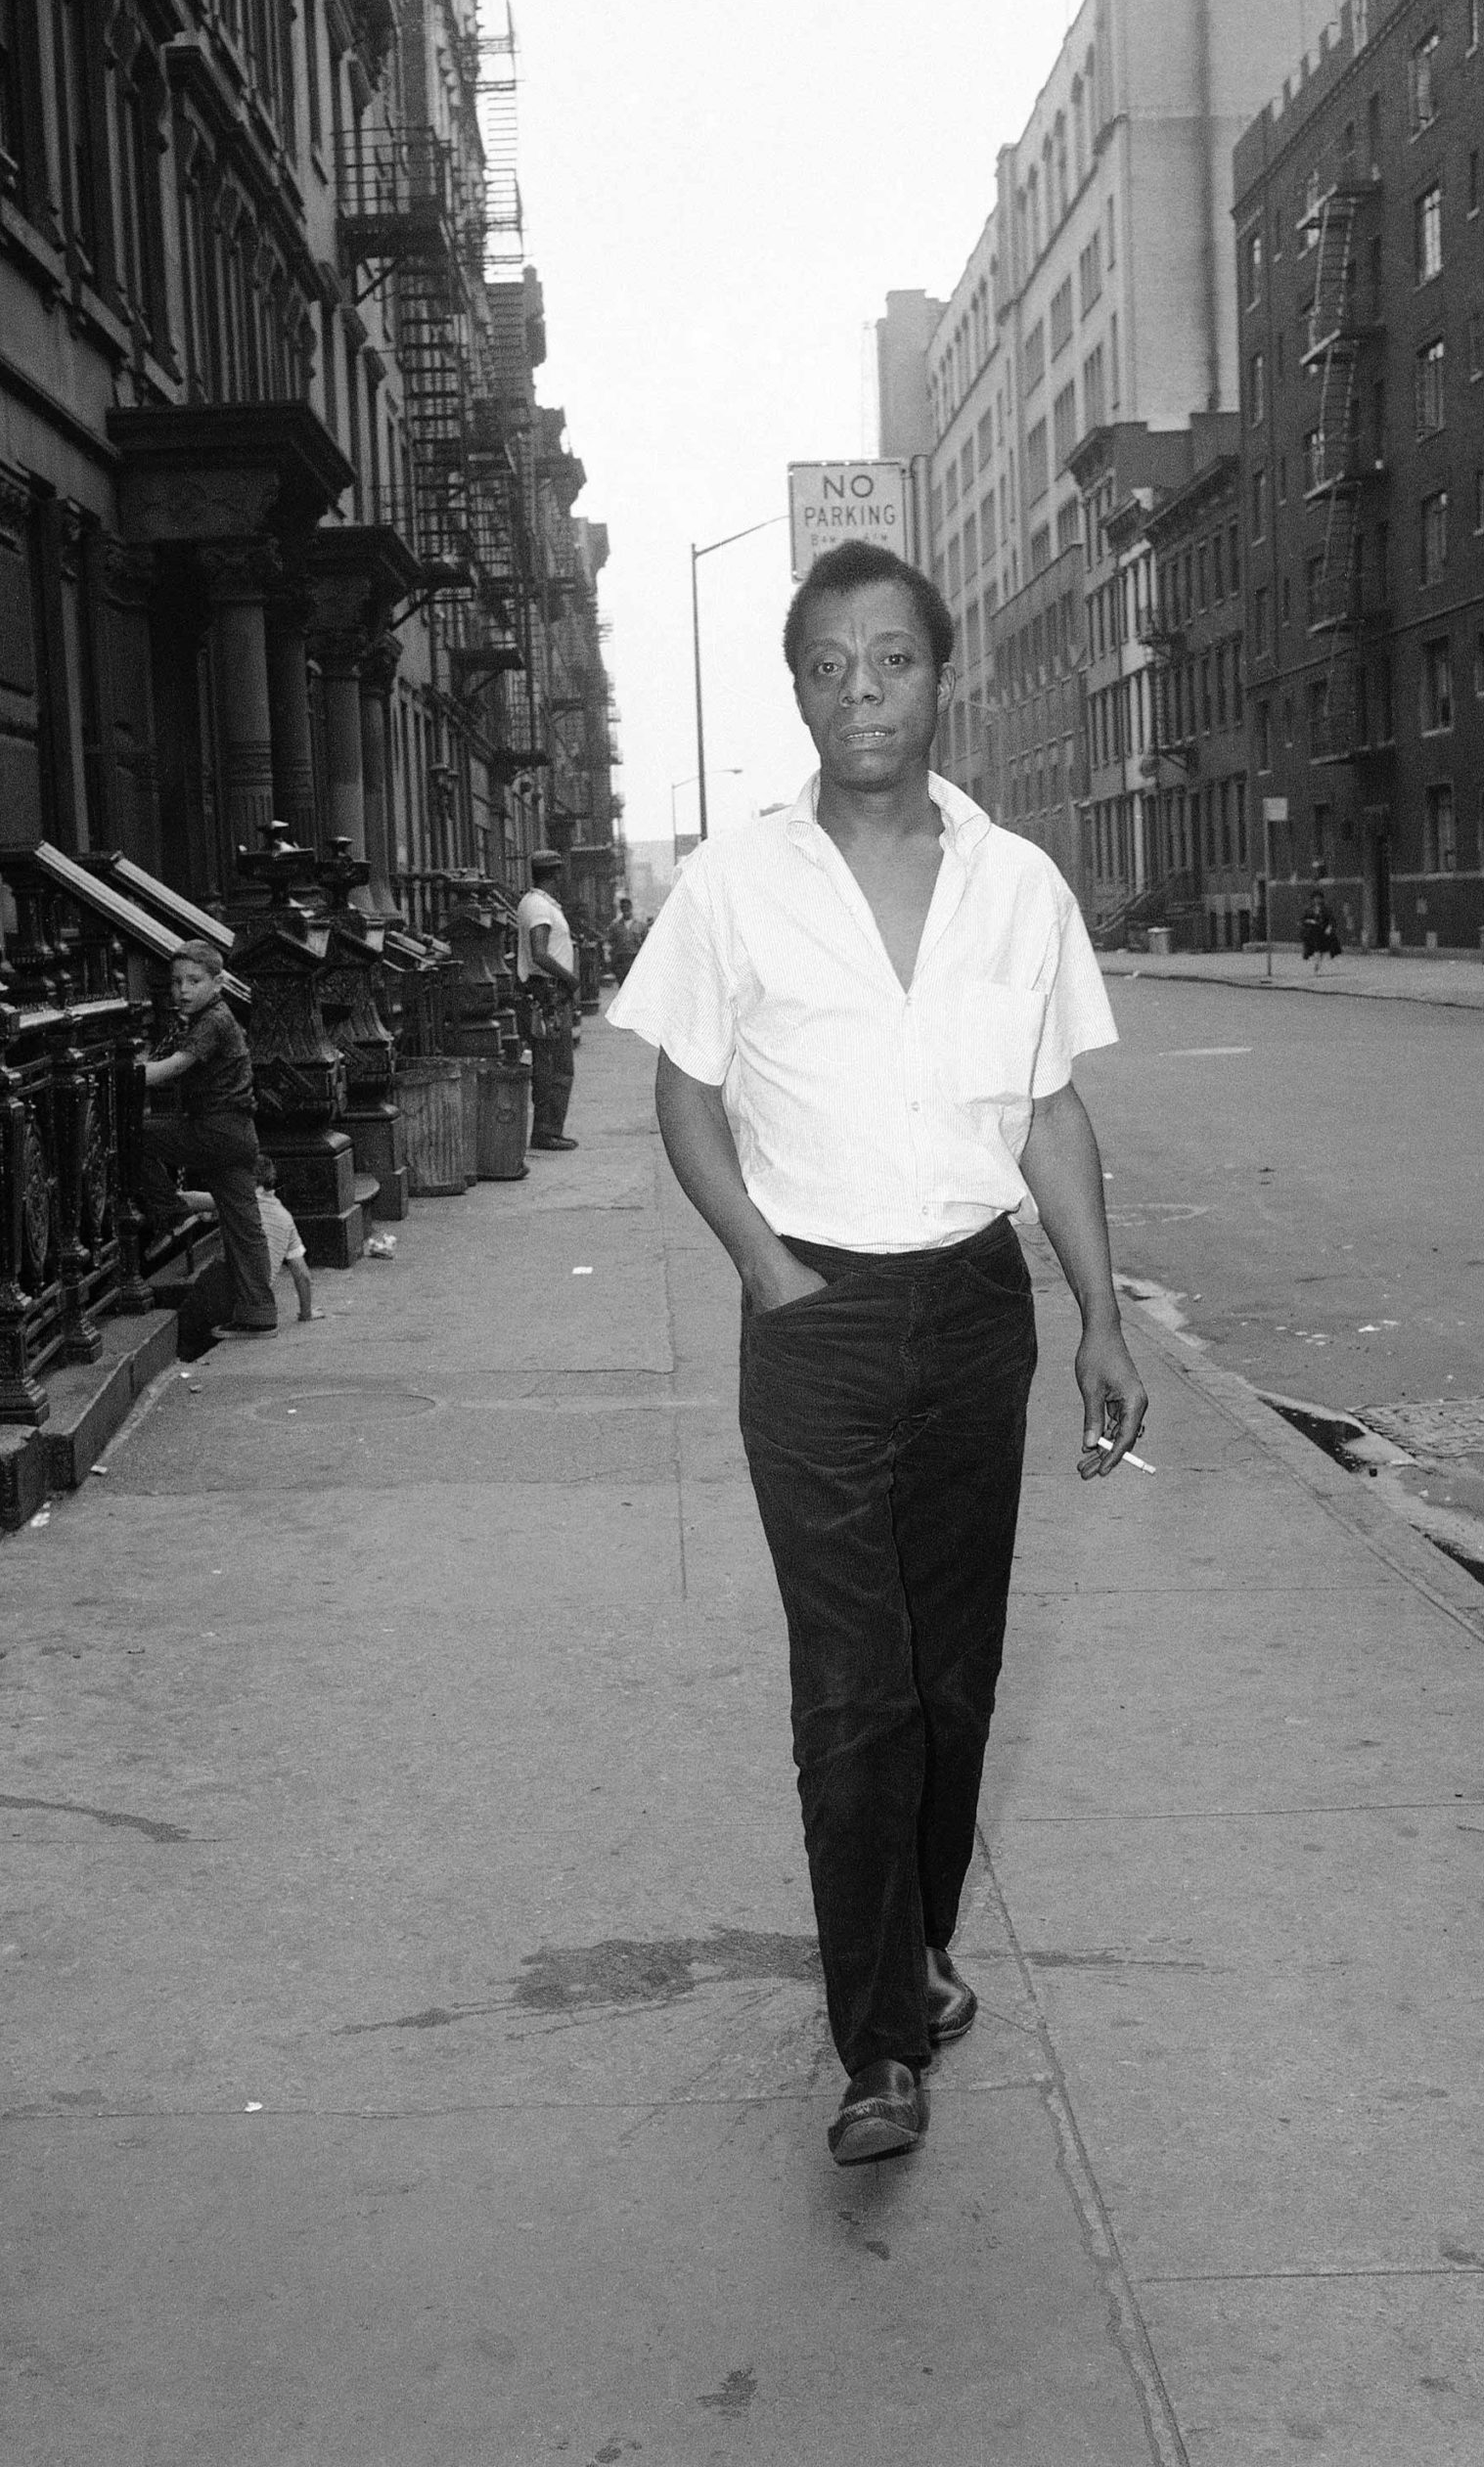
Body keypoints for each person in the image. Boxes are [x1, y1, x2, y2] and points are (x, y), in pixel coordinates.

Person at [608, 539, 1146, 2169]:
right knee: (854, 1690)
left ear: (939, 675)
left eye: (892, 660)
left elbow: (1049, 1110)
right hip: (818, 1326)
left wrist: (1102, 1316)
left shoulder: (1016, 881)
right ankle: (877, 2048)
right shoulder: (734, 883)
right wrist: (768, 1270)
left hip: (975, 1313)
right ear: (798, 691)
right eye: (830, 667)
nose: (862, 692)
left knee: (952, 1678)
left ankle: (912, 1944)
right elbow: (683, 1092)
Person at [139, 941, 276, 1335]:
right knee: (243, 1227)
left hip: (214, 1131)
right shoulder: (209, 1017)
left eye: (194, 981)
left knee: (139, 1136)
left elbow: (176, 1066)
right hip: (236, 1134)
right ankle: (258, 1314)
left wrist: (127, 1075)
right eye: (176, 982)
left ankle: (172, 1211)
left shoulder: (213, 1021)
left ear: (217, 983)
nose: (182, 990)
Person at [517, 849, 579, 1151]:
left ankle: (547, 1129)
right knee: (557, 1065)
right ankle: (547, 1131)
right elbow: (540, 953)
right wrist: (569, 978)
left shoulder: (534, 903)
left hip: (546, 992)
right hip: (551, 993)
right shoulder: (540, 908)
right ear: (554, 875)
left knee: (548, 1062)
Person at [254, 1157, 317, 1322]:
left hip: (228, 1287)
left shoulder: (240, 1203)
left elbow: (194, 1200)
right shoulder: (285, 1217)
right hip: (258, 1300)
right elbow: (302, 1274)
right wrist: (306, 1313)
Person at [1299, 884, 1341, 971]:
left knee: (1320, 949)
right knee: (1313, 948)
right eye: (1315, 898)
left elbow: (1332, 921)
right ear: (1313, 899)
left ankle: (1318, 963)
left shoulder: (1326, 909)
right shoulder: (1309, 909)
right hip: (1311, 932)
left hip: (1322, 933)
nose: (1317, 900)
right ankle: (1315, 960)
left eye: (1319, 898)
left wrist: (1329, 928)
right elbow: (1302, 920)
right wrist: (1309, 922)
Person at [606, 894, 647, 978]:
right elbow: (609, 942)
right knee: (622, 985)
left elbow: (646, 943)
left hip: (635, 959)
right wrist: (609, 956)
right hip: (620, 960)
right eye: (623, 907)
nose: (626, 909)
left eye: (627, 907)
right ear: (621, 909)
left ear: (631, 907)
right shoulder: (615, 925)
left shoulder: (640, 925)